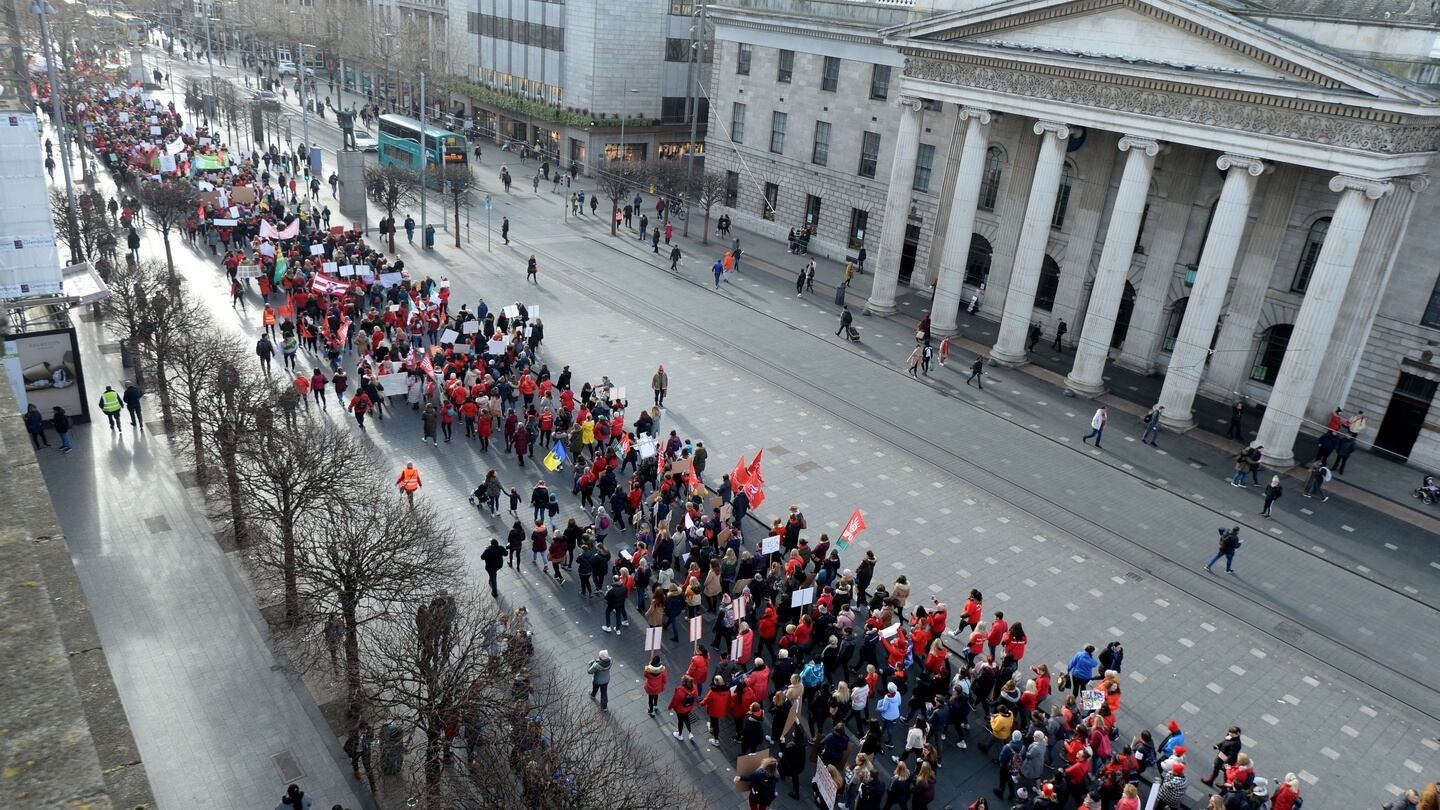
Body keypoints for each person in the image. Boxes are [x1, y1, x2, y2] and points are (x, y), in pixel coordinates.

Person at [670, 673, 699, 740]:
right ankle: (690, 733)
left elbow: (675, 701)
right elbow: (696, 696)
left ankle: (680, 735)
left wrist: (670, 707)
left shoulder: (680, 690)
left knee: (680, 721)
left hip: (680, 709)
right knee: (686, 718)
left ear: (684, 682)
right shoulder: (694, 687)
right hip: (688, 708)